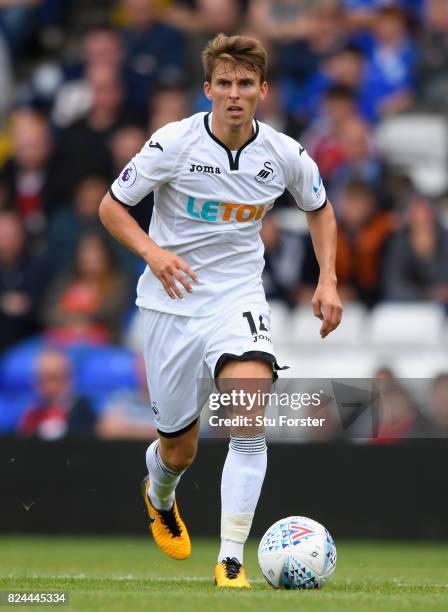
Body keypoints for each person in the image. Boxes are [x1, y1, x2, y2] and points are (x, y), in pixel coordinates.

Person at [99, 33, 342, 588]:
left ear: (263, 91)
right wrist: (153, 253)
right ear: (208, 89)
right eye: (225, 84)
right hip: (170, 304)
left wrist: (328, 279)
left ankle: (231, 561)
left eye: (246, 84)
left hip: (237, 298)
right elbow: (111, 207)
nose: (235, 94)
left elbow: (321, 210)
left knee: (248, 414)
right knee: (179, 449)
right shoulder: (173, 144)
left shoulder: (283, 154)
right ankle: (159, 494)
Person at [17, 348, 96, 440]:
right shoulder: (32, 414)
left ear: (69, 377)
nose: (50, 386)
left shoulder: (85, 412)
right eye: (43, 378)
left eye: (54, 378)